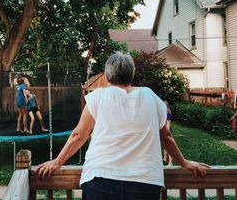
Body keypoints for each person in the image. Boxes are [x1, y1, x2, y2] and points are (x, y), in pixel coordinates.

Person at [36, 52, 209, 200]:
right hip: (145, 182)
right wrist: (184, 162)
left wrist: (57, 162)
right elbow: (166, 137)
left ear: (107, 74)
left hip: (100, 179)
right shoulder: (150, 96)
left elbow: (79, 135)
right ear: (131, 74)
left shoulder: (98, 96)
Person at [163, 101, 174, 166]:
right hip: (165, 132)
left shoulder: (168, 114)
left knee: (170, 147)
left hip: (168, 132)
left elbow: (168, 126)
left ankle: (170, 162)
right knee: (165, 146)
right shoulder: (164, 114)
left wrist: (166, 133)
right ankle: (164, 159)